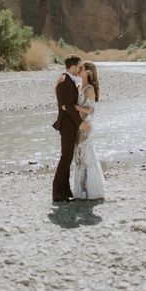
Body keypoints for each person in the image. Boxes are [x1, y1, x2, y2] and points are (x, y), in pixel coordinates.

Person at [52, 55, 91, 203]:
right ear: (72, 66)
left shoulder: (67, 80)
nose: (79, 69)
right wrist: (81, 123)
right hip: (67, 126)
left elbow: (67, 104)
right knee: (65, 158)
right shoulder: (64, 80)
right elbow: (68, 106)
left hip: (69, 125)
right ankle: (57, 192)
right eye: (78, 66)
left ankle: (65, 191)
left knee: (67, 159)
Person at [70, 61, 105, 200]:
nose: (79, 70)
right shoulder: (79, 86)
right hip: (77, 126)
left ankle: (89, 192)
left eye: (82, 68)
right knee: (78, 158)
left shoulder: (89, 89)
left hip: (85, 127)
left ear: (88, 72)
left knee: (86, 158)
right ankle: (80, 191)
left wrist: (74, 108)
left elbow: (91, 110)